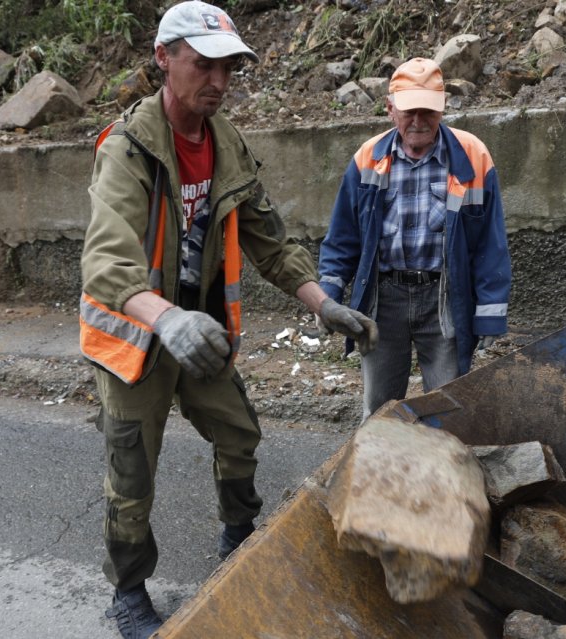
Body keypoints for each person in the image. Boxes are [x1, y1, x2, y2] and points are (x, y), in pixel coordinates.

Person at [78, 3, 377, 638]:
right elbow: (105, 263)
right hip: (138, 342)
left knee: (240, 434)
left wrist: (323, 303)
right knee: (132, 475)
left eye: (229, 69)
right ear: (164, 59)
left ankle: (239, 534)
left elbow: (269, 240)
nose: (218, 81)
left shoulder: (227, 143)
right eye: (204, 65)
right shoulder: (127, 149)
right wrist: (167, 320)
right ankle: (128, 591)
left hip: (202, 331)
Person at [317, 57, 511, 420]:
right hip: (383, 300)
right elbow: (343, 238)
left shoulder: (474, 156)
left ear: (443, 108)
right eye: (409, 111)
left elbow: (490, 244)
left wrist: (489, 314)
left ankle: (443, 476)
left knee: (449, 410)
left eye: (428, 111)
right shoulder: (366, 159)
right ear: (390, 108)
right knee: (380, 412)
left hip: (443, 299)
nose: (419, 121)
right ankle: (380, 476)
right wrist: (327, 294)